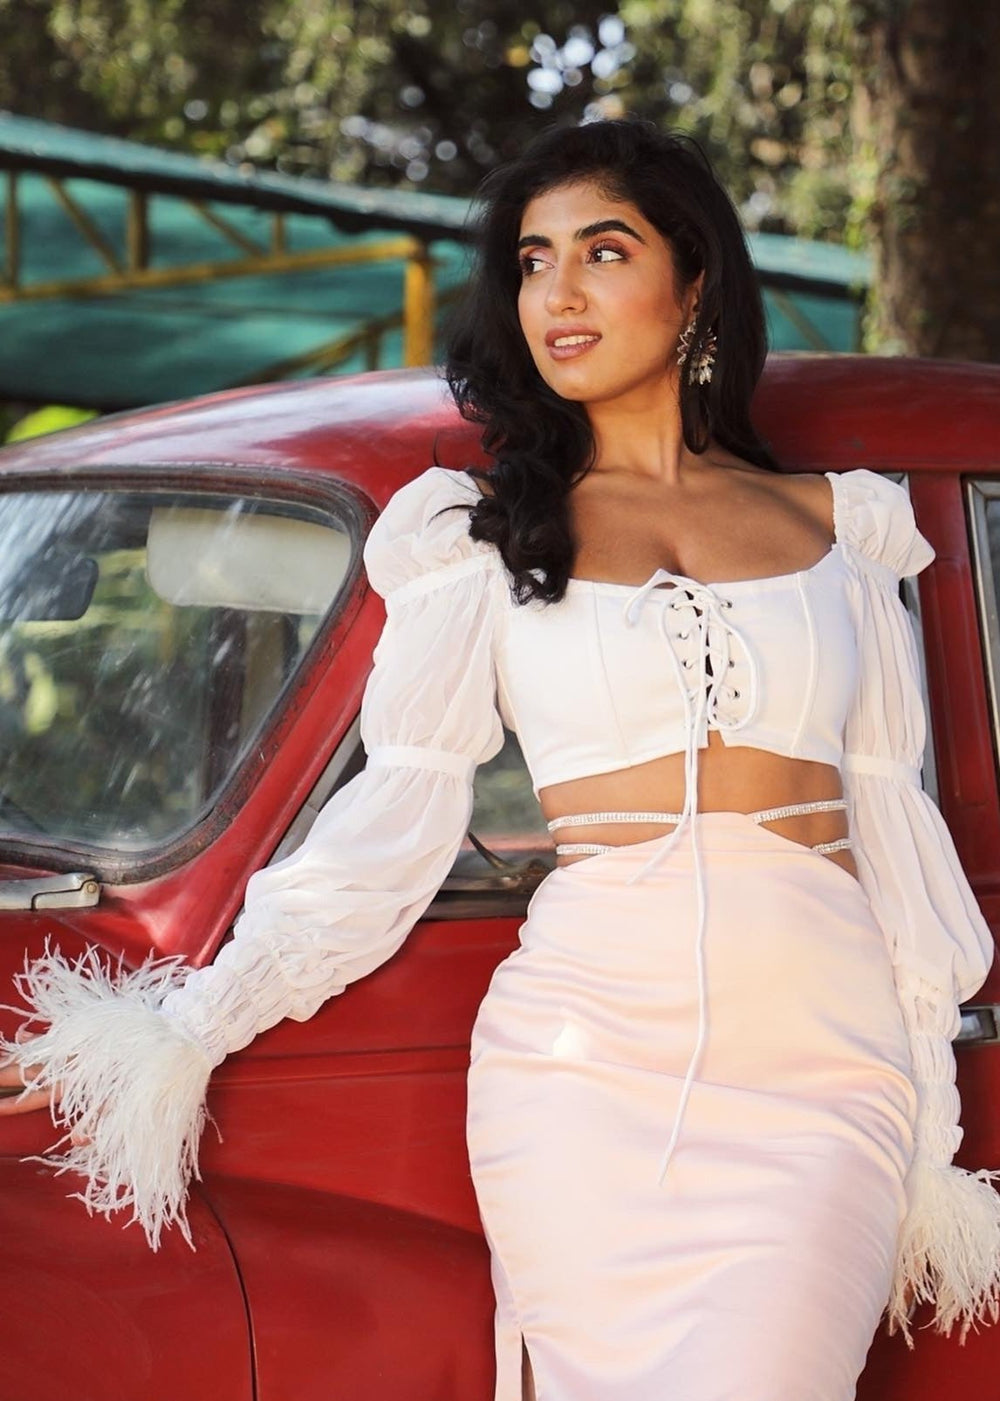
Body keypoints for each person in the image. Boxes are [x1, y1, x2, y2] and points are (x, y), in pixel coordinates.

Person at [1, 118, 998, 1400]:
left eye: (602, 252)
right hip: (581, 1069)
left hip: (821, 1065)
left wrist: (930, 1111)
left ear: (694, 283)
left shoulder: (846, 532)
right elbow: (393, 822)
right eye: (533, 262)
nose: (558, 294)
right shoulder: (480, 539)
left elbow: (896, 835)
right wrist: (177, 1025)